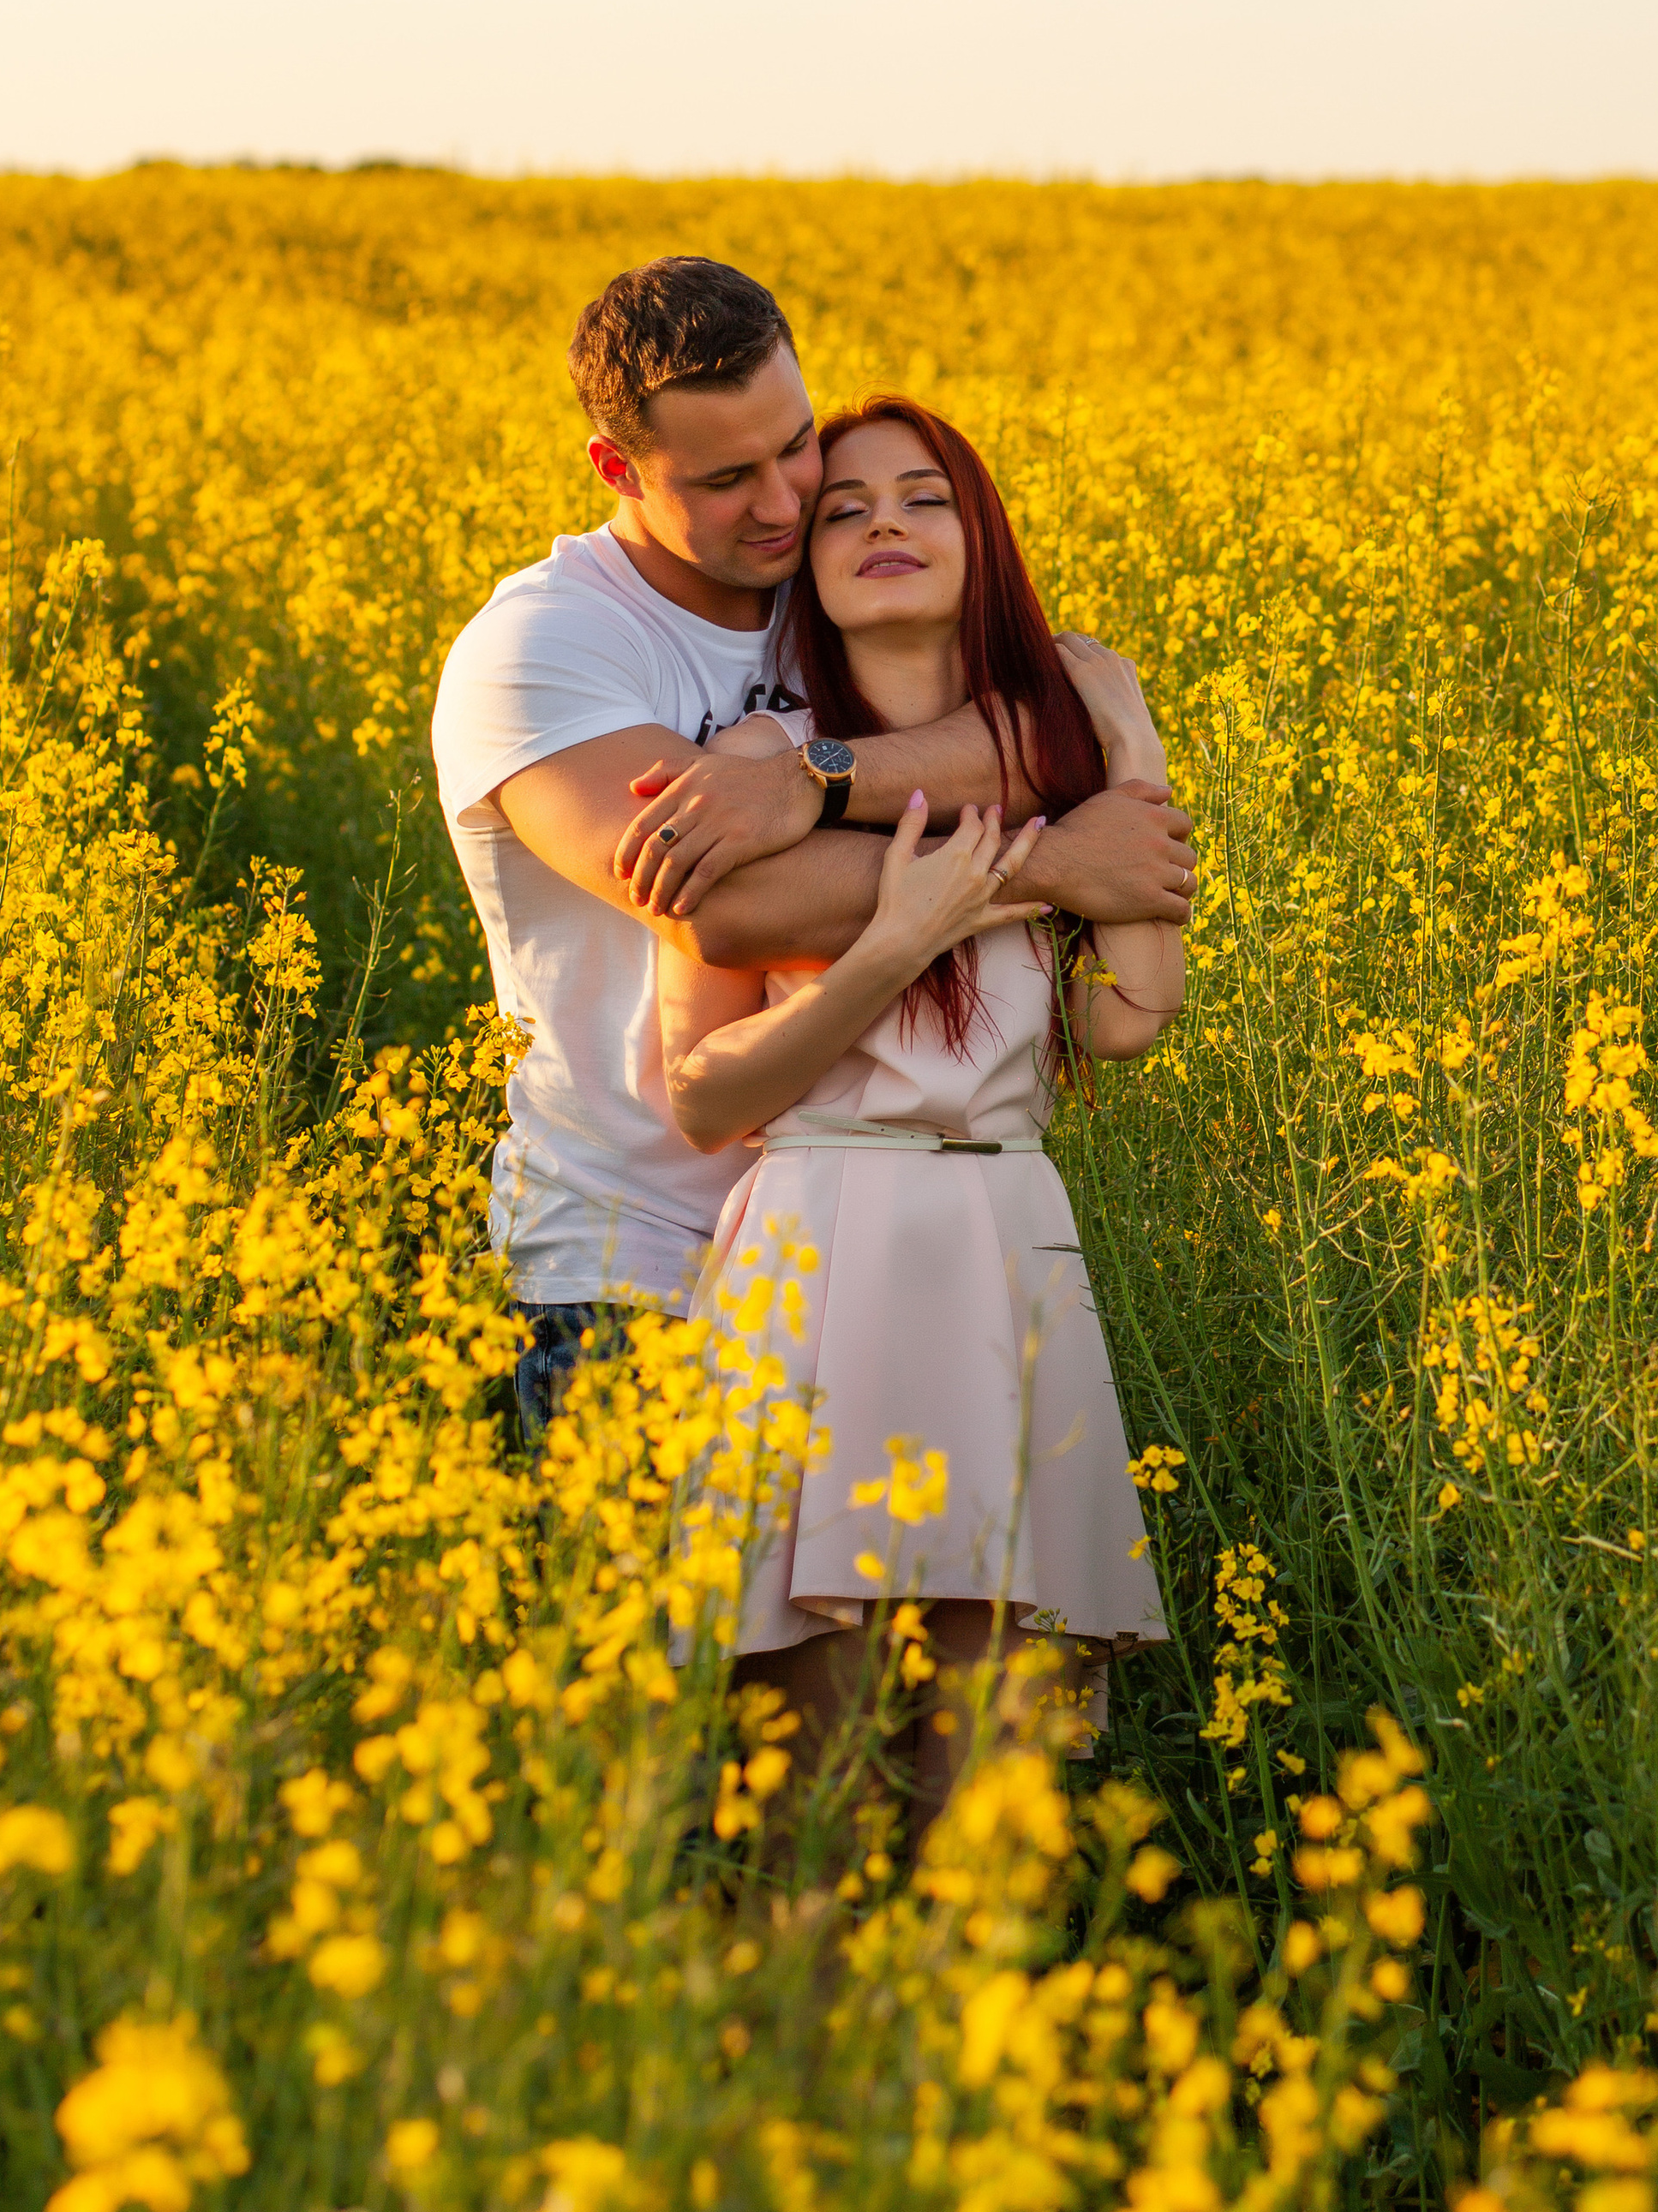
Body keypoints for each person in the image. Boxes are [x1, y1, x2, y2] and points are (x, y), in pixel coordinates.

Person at [428, 259, 1197, 1440]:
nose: (786, 500)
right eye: (728, 478)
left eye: (795, 446)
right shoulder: (546, 647)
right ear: (617, 470)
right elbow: (726, 912)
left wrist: (810, 780)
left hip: (857, 1255)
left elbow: (1038, 737)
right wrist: (1043, 866)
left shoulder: (837, 579)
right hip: (635, 1269)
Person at [657, 395, 1182, 1830]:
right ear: (807, 570)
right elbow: (703, 1095)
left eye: (924, 498)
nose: (883, 522)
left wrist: (1123, 734)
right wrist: (891, 949)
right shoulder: (751, 767)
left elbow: (1126, 1019)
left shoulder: (1061, 771)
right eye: (845, 508)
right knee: (805, 1801)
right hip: (821, 1240)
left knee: (986, 1805)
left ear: (984, 541)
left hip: (1002, 1238)